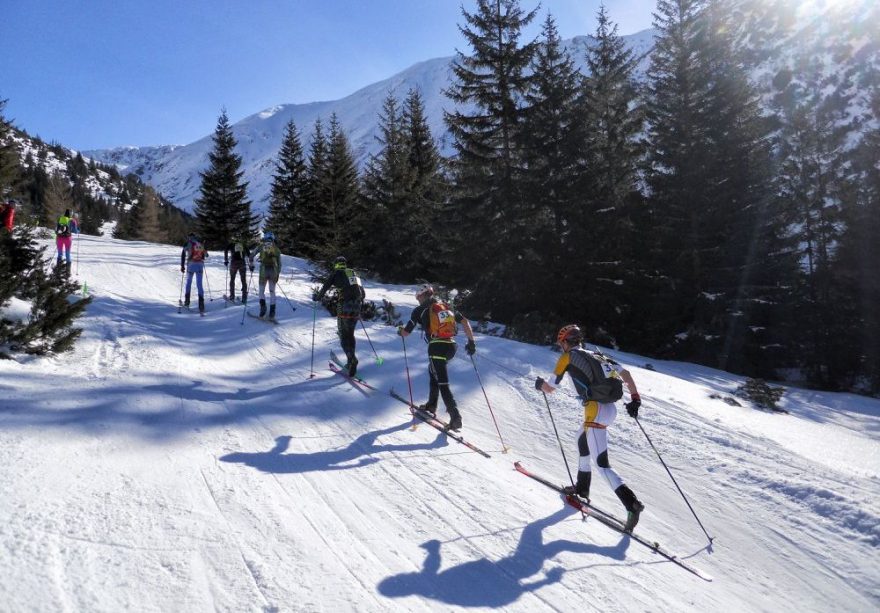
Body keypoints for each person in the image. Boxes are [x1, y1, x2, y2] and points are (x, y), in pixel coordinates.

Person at [534, 324, 645, 532]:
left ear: (566, 342)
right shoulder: (598, 355)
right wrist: (635, 399)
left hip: (595, 411)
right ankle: (582, 487)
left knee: (602, 464)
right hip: (608, 408)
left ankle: (631, 504)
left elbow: (550, 389)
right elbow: (626, 374)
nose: (561, 348)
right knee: (581, 440)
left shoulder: (567, 358)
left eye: (561, 344)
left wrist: (540, 385)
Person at [397, 285, 476, 431]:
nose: (418, 300)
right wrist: (471, 343)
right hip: (451, 346)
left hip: (436, 346)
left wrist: (399, 330)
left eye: (418, 297)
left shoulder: (419, 310)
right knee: (432, 371)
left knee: (443, 382)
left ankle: (455, 417)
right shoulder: (445, 306)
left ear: (422, 296)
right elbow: (465, 322)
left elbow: (406, 332)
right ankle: (431, 405)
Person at [314, 255, 366, 376]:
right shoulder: (353, 273)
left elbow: (325, 287)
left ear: (336, 264)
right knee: (350, 334)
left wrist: (317, 297)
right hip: (357, 307)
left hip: (344, 307)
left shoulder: (336, 273)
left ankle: (352, 359)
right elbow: (362, 293)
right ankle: (350, 361)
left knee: (343, 334)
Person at [180, 232, 209, 313]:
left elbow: (183, 255)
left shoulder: (188, 243)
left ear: (189, 237)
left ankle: (187, 302)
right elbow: (206, 255)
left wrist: (182, 266)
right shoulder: (200, 244)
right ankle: (201, 305)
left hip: (191, 265)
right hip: (200, 265)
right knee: (199, 284)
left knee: (188, 283)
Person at [257, 232, 282, 319]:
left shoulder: (261, 247)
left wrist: (251, 264)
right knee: (272, 292)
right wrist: (278, 273)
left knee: (261, 291)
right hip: (273, 272)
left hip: (263, 272)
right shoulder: (276, 249)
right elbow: (279, 263)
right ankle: (272, 312)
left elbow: (252, 255)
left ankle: (263, 308)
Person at [224, 235, 255, 303]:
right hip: (242, 263)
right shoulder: (243, 244)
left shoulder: (232, 244)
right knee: (243, 280)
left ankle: (232, 296)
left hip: (234, 263)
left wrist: (226, 260)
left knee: (232, 279)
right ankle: (244, 298)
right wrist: (251, 265)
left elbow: (226, 250)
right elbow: (249, 254)